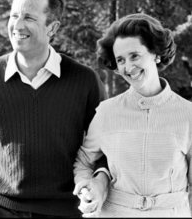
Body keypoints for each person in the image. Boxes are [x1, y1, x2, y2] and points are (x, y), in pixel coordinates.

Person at [0, 0, 108, 218]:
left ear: (52, 28)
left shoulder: (85, 81)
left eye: (29, 17)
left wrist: (97, 186)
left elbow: (104, 153)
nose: (17, 24)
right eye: (14, 15)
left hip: (63, 212)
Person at [73, 13, 192, 217]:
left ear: (156, 54)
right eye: (120, 60)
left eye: (134, 56)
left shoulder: (187, 114)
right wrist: (86, 188)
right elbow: (84, 161)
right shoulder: (107, 112)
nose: (128, 67)